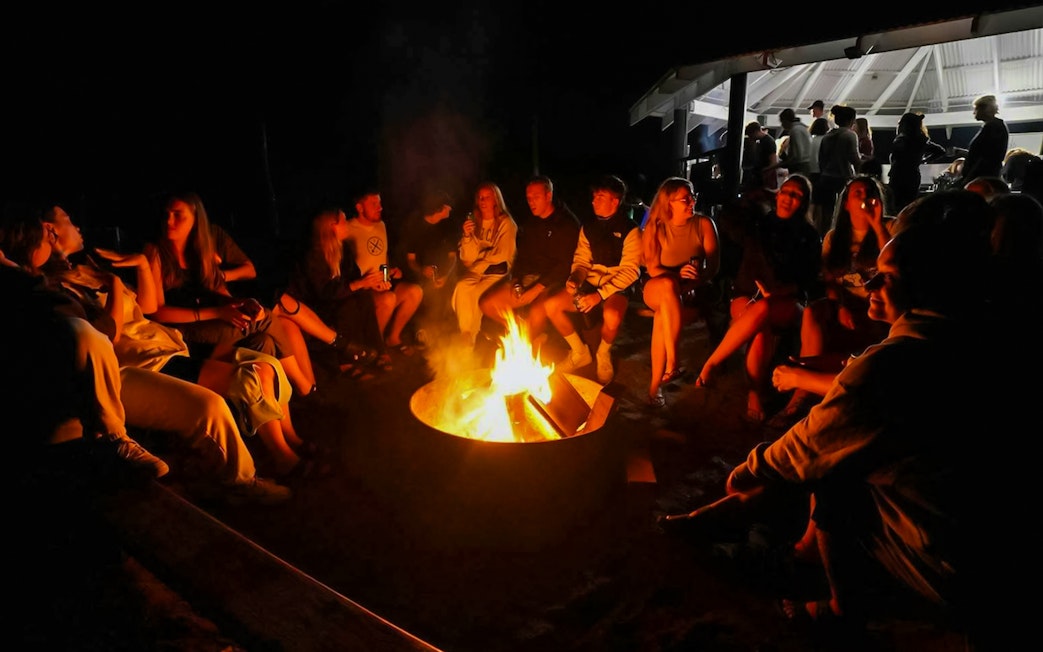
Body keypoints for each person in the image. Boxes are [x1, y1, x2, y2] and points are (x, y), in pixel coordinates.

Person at [721, 190, 999, 647]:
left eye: (885, 277)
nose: (871, 284)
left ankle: (839, 610)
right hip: (986, 538)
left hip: (957, 565)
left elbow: (803, 449)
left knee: (836, 473)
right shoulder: (969, 330)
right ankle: (808, 553)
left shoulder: (899, 362)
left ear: (924, 280)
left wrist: (744, 474)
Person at [38, 204, 295, 502]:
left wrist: (142, 266)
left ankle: (286, 446)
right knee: (234, 388)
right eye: (68, 219)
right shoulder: (60, 286)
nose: (77, 225)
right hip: (140, 361)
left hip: (164, 346)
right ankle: (248, 477)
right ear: (51, 232)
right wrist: (116, 285)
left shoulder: (89, 268)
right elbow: (110, 334)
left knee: (266, 363)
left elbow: (147, 307)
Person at [1, 210, 170, 480]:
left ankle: (245, 484)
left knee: (211, 407)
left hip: (142, 355)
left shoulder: (80, 272)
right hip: (127, 362)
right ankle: (113, 437)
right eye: (60, 223)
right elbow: (103, 332)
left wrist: (140, 266)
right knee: (81, 331)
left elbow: (144, 307)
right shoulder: (40, 284)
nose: (57, 232)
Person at [142, 190, 315, 397]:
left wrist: (242, 304)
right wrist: (216, 312)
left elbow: (221, 291)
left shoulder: (200, 252)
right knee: (267, 318)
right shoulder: (155, 253)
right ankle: (304, 387)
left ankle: (276, 419)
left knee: (263, 341)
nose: (169, 220)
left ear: (195, 220)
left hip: (210, 321)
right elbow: (157, 313)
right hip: (183, 329)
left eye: (178, 215)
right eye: (167, 214)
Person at [767, 175, 897, 429]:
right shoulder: (834, 237)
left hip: (878, 306)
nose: (862, 196)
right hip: (846, 303)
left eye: (867, 191)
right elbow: (830, 281)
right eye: (855, 193)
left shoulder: (890, 229)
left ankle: (808, 390)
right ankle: (801, 394)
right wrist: (840, 306)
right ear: (846, 203)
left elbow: (893, 266)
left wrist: (876, 224)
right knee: (813, 312)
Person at [694, 174, 821, 424]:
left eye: (796, 195)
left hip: (787, 302)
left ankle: (712, 363)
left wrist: (778, 293)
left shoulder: (807, 235)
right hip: (747, 296)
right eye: (785, 192)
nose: (788, 198)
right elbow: (728, 222)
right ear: (777, 194)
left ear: (803, 202)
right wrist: (750, 198)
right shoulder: (760, 223)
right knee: (760, 325)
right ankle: (755, 392)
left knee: (764, 308)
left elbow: (807, 279)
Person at [546, 174, 642, 385]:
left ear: (615, 201)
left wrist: (598, 296)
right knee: (551, 305)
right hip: (591, 282)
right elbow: (581, 260)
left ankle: (603, 354)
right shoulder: (588, 227)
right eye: (594, 196)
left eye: (600, 196)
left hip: (617, 284)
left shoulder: (631, 229)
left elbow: (631, 271)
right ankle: (579, 352)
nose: (593, 200)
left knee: (613, 315)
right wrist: (575, 279)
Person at [640, 177, 721, 407]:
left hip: (688, 293)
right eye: (685, 199)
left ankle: (655, 387)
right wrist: (678, 278)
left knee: (661, 317)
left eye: (692, 196)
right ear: (669, 204)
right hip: (657, 288)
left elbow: (713, 268)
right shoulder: (657, 227)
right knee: (667, 287)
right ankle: (673, 362)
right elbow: (654, 269)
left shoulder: (704, 224)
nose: (691, 202)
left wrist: (692, 284)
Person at [478, 175, 580, 350]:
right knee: (487, 304)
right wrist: (517, 280)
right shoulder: (531, 222)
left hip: (554, 281)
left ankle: (529, 340)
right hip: (529, 278)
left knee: (536, 312)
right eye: (528, 198)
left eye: (536, 197)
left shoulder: (566, 224)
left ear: (548, 196)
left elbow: (564, 266)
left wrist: (536, 290)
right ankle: (520, 331)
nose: (531, 202)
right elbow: (522, 256)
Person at [286, 206, 388, 377]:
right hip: (316, 305)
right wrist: (358, 284)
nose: (347, 224)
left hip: (338, 296)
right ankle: (346, 362)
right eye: (343, 221)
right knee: (347, 307)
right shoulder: (314, 254)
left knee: (364, 297)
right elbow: (323, 292)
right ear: (332, 226)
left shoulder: (344, 248)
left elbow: (353, 277)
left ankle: (376, 349)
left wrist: (369, 284)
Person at [344, 188, 424, 355]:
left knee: (415, 292)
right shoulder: (348, 230)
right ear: (360, 208)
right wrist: (367, 283)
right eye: (374, 204)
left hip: (382, 284)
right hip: (361, 291)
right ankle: (375, 347)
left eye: (379, 203)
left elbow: (382, 256)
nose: (380, 207)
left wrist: (390, 272)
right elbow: (343, 267)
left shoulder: (381, 225)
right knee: (388, 299)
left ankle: (392, 338)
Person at [451, 181, 518, 347]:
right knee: (462, 287)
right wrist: (467, 236)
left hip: (497, 272)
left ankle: (471, 338)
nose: (482, 201)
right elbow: (467, 259)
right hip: (477, 270)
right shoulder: (475, 223)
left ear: (495, 200)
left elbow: (503, 254)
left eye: (487, 197)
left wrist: (481, 257)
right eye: (480, 198)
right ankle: (465, 334)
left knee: (477, 293)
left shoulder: (505, 223)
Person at [397, 189, 460, 345]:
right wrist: (422, 270)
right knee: (428, 290)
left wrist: (445, 275)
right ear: (438, 208)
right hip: (421, 274)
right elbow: (411, 260)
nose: (450, 209)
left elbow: (453, 258)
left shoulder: (448, 226)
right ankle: (422, 331)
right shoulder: (415, 226)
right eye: (447, 206)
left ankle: (445, 332)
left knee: (450, 289)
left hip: (445, 274)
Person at [886, 111, 946, 214]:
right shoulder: (921, 141)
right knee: (910, 207)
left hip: (898, 177)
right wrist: (924, 160)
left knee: (895, 206)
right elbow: (941, 151)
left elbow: (897, 160)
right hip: (913, 176)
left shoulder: (901, 140)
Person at [815, 105, 860, 230]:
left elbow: (821, 159)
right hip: (843, 178)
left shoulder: (827, 136)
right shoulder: (850, 135)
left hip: (826, 178)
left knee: (826, 212)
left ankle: (825, 237)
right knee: (843, 211)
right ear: (851, 120)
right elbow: (854, 159)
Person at [956, 94, 1008, 186]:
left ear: (985, 109)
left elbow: (986, 157)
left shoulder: (992, 127)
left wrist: (969, 178)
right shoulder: (993, 126)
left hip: (982, 178)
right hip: (984, 176)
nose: (974, 112)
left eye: (976, 109)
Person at [739, 121, 779, 195]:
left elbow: (773, 162)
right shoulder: (761, 141)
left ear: (755, 132)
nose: (750, 138)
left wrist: (764, 172)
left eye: (750, 135)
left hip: (766, 177)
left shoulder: (768, 142)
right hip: (762, 175)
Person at [807, 117, 831, 234]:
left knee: (812, 204)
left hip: (811, 174)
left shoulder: (810, 140)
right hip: (822, 174)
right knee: (822, 206)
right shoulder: (826, 140)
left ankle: (810, 227)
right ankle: (820, 231)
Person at [775, 108, 811, 176]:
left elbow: (798, 156)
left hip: (800, 169)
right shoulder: (802, 128)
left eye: (782, 122)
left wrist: (782, 164)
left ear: (785, 121)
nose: (782, 125)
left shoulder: (795, 130)